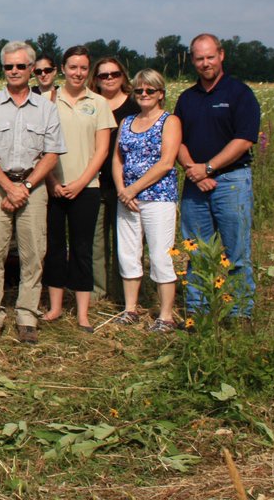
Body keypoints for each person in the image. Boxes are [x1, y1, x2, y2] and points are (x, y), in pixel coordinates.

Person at [0, 41, 65, 345]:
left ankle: (26, 315)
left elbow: (51, 154)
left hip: (32, 186)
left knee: (33, 252)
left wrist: (24, 187)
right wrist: (8, 187)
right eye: (8, 66)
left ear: (31, 70)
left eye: (20, 66)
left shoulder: (47, 109)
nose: (14, 71)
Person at [175, 33, 261, 320]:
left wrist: (208, 168)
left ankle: (240, 314)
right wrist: (193, 171)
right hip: (194, 184)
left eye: (210, 56)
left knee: (236, 252)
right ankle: (197, 313)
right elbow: (177, 140)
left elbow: (244, 139)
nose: (205, 63)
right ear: (193, 60)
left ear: (221, 55)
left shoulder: (239, 93)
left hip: (232, 182)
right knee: (196, 251)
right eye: (199, 58)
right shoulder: (187, 99)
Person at [43, 46, 115, 333]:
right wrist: (53, 183)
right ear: (63, 69)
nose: (78, 73)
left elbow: (102, 150)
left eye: (83, 68)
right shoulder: (48, 101)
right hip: (53, 187)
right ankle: (55, 307)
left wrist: (81, 182)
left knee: (83, 248)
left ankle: (83, 313)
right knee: (55, 248)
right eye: (73, 67)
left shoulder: (99, 103)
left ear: (89, 71)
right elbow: (41, 147)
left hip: (87, 187)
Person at [113, 69, 181, 332]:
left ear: (160, 94)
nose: (143, 95)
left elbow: (166, 163)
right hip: (127, 199)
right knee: (128, 253)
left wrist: (134, 189)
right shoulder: (127, 122)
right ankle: (130, 309)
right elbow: (118, 158)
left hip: (157, 197)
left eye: (149, 90)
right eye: (139, 90)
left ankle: (165, 316)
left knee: (161, 255)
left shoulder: (169, 121)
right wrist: (122, 189)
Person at [90, 57, 140, 302]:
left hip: (127, 185)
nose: (109, 79)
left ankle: (123, 295)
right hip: (95, 182)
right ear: (96, 80)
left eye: (114, 74)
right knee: (96, 241)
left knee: (125, 241)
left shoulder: (135, 104)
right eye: (103, 75)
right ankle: (97, 292)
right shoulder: (91, 103)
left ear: (123, 76)